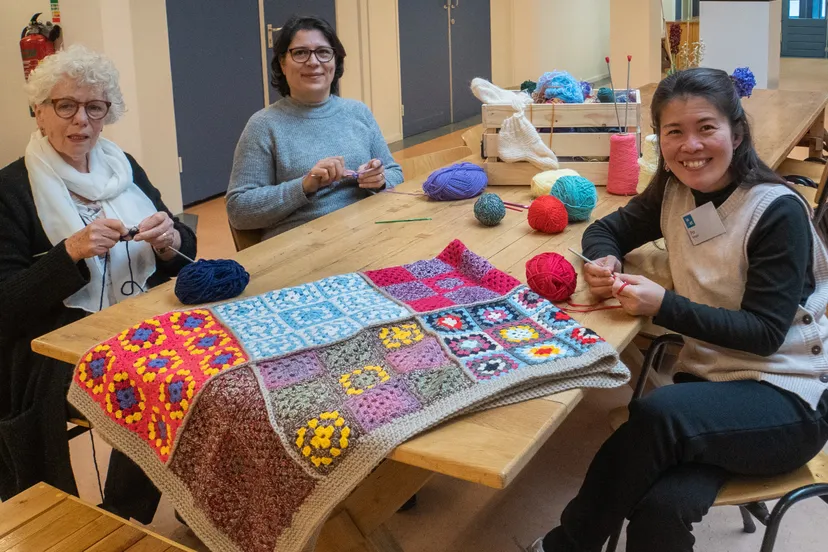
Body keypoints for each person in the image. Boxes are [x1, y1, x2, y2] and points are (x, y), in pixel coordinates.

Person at [531, 68, 828, 551]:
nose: (690, 145)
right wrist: (604, 257)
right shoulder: (674, 191)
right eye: (674, 132)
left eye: (706, 128)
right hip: (711, 389)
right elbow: (608, 230)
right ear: (660, 142)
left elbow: (764, 334)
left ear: (736, 131)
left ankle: (566, 545)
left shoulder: (776, 211)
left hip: (788, 397)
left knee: (656, 413)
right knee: (659, 507)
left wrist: (664, 304)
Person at [0, 45, 197, 524]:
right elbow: (6, 305)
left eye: (95, 107)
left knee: (202, 373)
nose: (80, 120)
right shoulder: (11, 189)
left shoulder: (121, 169)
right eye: (65, 106)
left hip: (133, 319)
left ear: (109, 112)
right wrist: (68, 253)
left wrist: (170, 240)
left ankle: (134, 510)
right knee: (154, 381)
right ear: (39, 112)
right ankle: (97, 518)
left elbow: (184, 246)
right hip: (49, 345)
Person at [226, 15, 403, 240]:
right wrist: (303, 186)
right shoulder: (263, 125)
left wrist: (380, 180)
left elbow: (395, 172)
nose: (313, 62)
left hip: (369, 233)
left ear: (335, 61)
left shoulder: (357, 112)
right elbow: (239, 211)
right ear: (282, 62)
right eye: (300, 53)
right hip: (303, 247)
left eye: (323, 52)